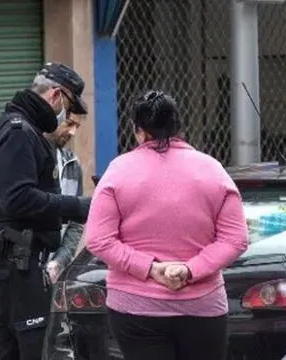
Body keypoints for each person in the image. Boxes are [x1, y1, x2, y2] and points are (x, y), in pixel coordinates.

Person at [85, 90, 248, 360]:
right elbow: (236, 239)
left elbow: (99, 240)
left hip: (135, 309)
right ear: (178, 127)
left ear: (138, 131)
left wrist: (151, 269)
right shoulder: (213, 169)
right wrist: (189, 269)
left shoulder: (118, 171)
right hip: (202, 308)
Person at [0, 62, 92, 360]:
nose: (67, 116)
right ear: (56, 95)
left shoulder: (8, 126)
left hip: (5, 266)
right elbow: (16, 198)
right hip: (18, 269)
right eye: (68, 105)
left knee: (4, 354)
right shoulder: (20, 131)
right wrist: (78, 206)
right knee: (38, 352)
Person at [0, 113, 86, 283]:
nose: (72, 132)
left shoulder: (72, 164)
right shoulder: (18, 157)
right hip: (15, 272)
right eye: (69, 123)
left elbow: (75, 224)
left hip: (53, 274)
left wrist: (58, 262)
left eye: (77, 126)